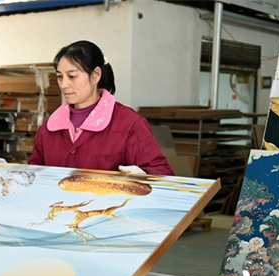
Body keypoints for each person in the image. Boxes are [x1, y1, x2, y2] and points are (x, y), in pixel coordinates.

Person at [29, 40, 174, 176]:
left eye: (72, 76)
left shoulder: (129, 124)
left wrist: (144, 177)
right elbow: (33, 175)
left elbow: (163, 172)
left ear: (96, 75)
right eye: (60, 77)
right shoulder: (49, 128)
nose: (63, 85)